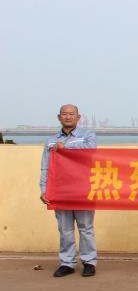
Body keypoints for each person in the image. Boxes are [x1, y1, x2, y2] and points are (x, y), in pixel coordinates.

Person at [39, 104, 98, 278]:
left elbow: (91, 152)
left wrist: (66, 149)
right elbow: (45, 166)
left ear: (78, 117)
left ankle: (89, 262)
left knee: (86, 227)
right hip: (60, 189)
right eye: (64, 114)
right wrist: (44, 189)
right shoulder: (51, 141)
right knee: (65, 229)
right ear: (59, 117)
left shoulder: (88, 136)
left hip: (83, 188)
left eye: (72, 114)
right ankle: (67, 263)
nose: (68, 117)